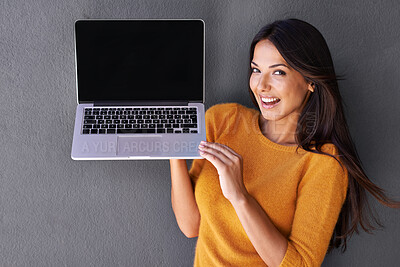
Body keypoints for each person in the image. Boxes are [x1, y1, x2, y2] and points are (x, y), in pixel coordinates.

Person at [169, 18, 400, 267]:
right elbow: (191, 226)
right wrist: (173, 148)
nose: (262, 86)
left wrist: (239, 196)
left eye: (278, 72)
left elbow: (300, 264)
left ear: (310, 81)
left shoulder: (324, 162)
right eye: (256, 70)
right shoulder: (223, 120)